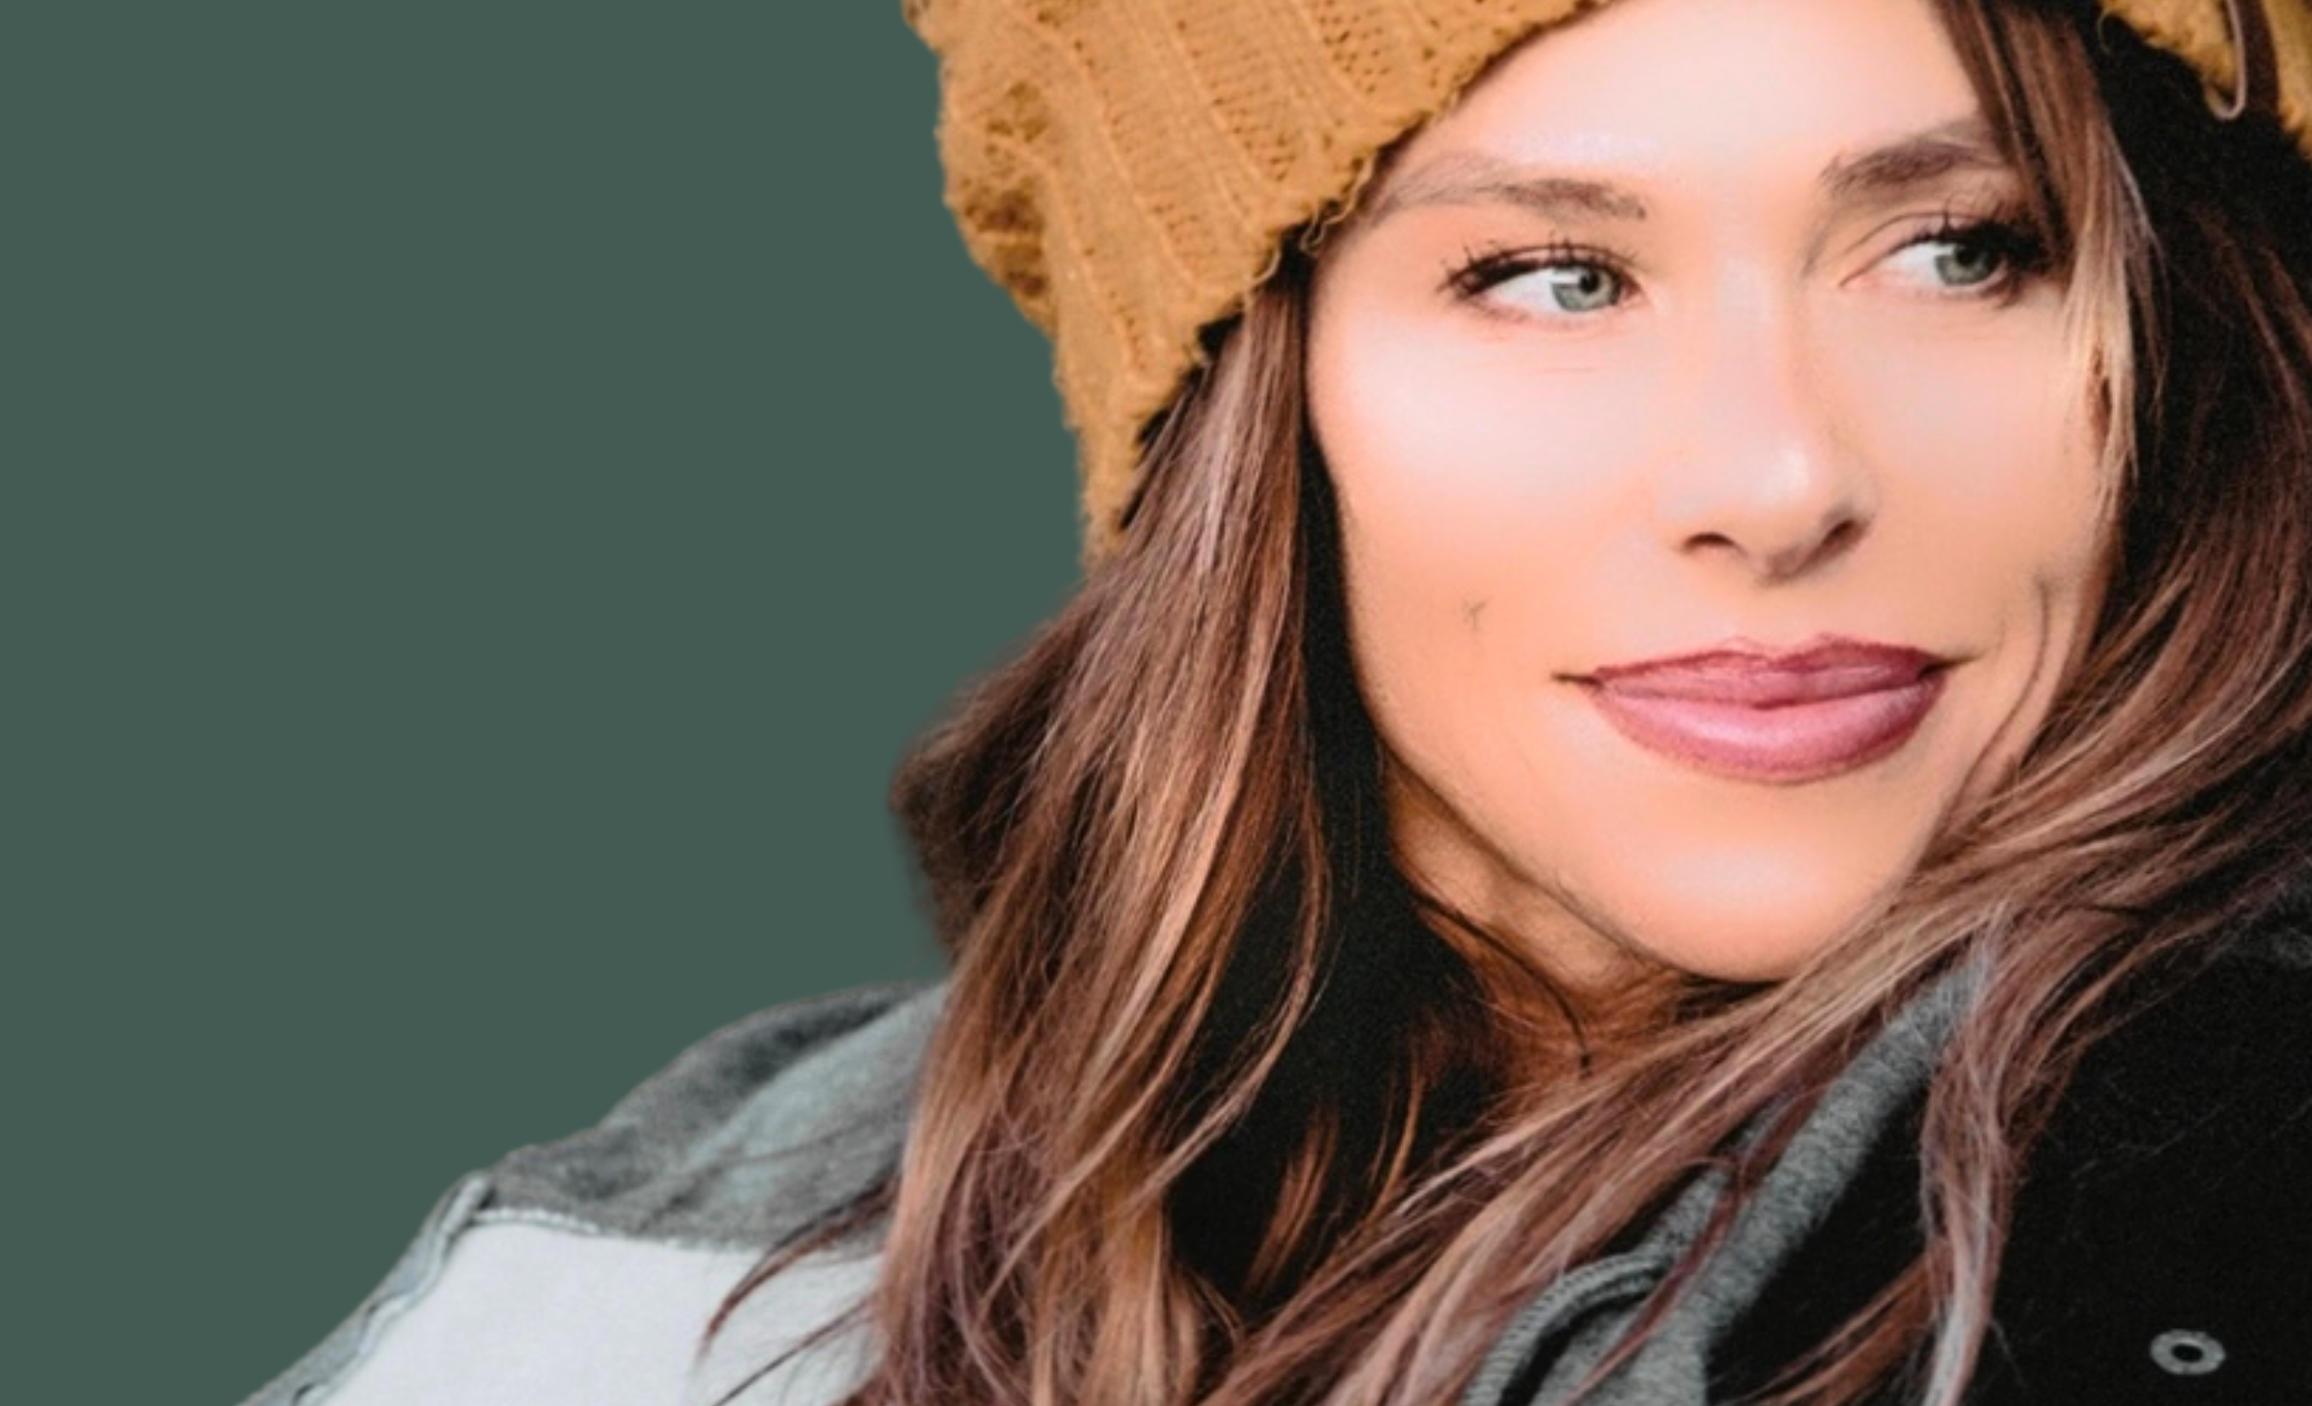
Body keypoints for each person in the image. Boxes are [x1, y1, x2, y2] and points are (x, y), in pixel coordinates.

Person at [240, 0, 2312, 1401]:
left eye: (1960, 251)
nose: (1778, 480)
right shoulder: (677, 1260)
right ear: (1247, 416)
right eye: (1550, 275)